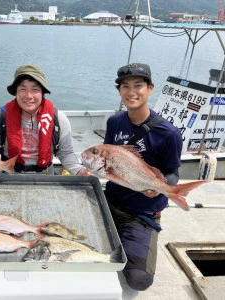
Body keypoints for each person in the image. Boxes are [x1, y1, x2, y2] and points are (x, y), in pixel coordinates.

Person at [103, 63, 183, 297]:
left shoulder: (169, 134)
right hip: (111, 202)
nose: (131, 92)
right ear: (119, 91)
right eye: (125, 86)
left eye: (138, 85)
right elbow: (109, 156)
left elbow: (173, 173)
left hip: (141, 214)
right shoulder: (114, 122)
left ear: (150, 89)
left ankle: (138, 238)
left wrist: (159, 188)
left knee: (139, 279)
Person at [0, 64, 91, 177]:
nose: (29, 96)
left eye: (35, 89)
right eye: (23, 89)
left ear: (42, 93)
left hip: (46, 176)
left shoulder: (58, 119)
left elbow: (66, 153)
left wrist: (79, 171)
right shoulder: (0, 117)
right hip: (9, 177)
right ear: (16, 92)